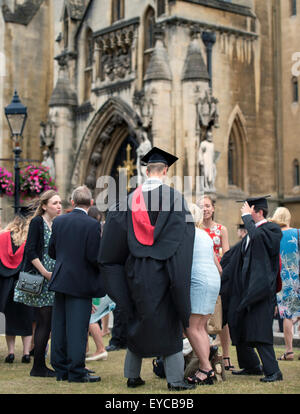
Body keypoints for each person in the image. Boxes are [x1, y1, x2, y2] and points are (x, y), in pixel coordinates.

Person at [99, 147, 196, 391]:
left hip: (134, 274)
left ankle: (132, 376)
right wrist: (179, 280)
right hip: (165, 273)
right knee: (168, 325)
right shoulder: (175, 200)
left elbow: (111, 249)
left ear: (145, 170)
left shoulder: (126, 201)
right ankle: (175, 380)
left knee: (137, 320)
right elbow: (183, 243)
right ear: (165, 171)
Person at [220, 196, 283, 382]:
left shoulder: (272, 230)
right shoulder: (250, 235)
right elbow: (234, 257)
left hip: (261, 291)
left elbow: (260, 243)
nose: (244, 214)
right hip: (244, 292)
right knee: (238, 324)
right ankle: (252, 366)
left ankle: (273, 371)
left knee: (259, 330)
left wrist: (247, 219)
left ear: (259, 212)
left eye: (249, 211)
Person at [48, 185, 104, 383]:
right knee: (78, 329)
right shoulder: (92, 225)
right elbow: (93, 256)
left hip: (61, 279)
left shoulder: (59, 221)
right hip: (81, 282)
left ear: (71, 202)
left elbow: (51, 252)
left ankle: (61, 370)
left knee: (60, 327)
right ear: (90, 203)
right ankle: (76, 372)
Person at [14, 190, 62, 377]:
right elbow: (31, 251)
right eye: (54, 203)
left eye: (60, 202)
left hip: (53, 277)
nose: (59, 206)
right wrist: (45, 273)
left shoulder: (56, 223)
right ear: (44, 206)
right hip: (42, 278)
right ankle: (38, 366)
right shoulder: (37, 222)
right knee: (44, 322)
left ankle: (41, 364)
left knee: (46, 322)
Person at [185, 203, 221, 385]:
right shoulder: (204, 235)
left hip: (199, 280)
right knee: (201, 327)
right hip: (212, 280)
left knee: (191, 326)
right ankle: (206, 368)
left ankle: (206, 368)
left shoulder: (187, 233)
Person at [201, 195, 233, 371]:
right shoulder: (195, 228)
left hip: (217, 275)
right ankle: (205, 355)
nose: (205, 209)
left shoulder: (221, 229)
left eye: (207, 206)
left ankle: (226, 356)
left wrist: (222, 272)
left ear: (213, 208)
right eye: (202, 206)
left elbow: (227, 255)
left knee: (222, 318)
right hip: (200, 275)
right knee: (200, 317)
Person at [0, 215, 33, 363]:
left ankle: (11, 353)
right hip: (25, 283)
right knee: (26, 319)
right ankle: (26, 353)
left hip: (6, 285)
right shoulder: (29, 240)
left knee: (9, 319)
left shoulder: (2, 238)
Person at [269, 207, 300, 361]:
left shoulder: (275, 236)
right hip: (298, 275)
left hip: (283, 279)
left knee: (288, 315)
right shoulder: (298, 233)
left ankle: (289, 351)